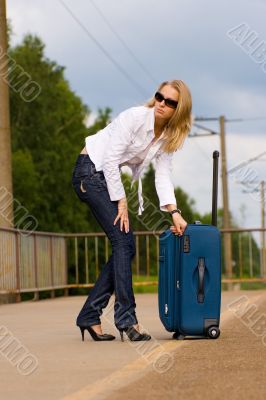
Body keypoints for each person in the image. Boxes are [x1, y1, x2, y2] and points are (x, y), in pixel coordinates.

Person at [72, 79, 192, 342]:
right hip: (89, 173)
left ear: (178, 109)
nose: (161, 104)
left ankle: (90, 315)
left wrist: (174, 212)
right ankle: (126, 319)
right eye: (160, 97)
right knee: (124, 244)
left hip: (103, 178)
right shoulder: (135, 117)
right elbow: (110, 159)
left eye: (170, 102)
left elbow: (162, 177)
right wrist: (122, 200)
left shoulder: (167, 138)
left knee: (125, 246)